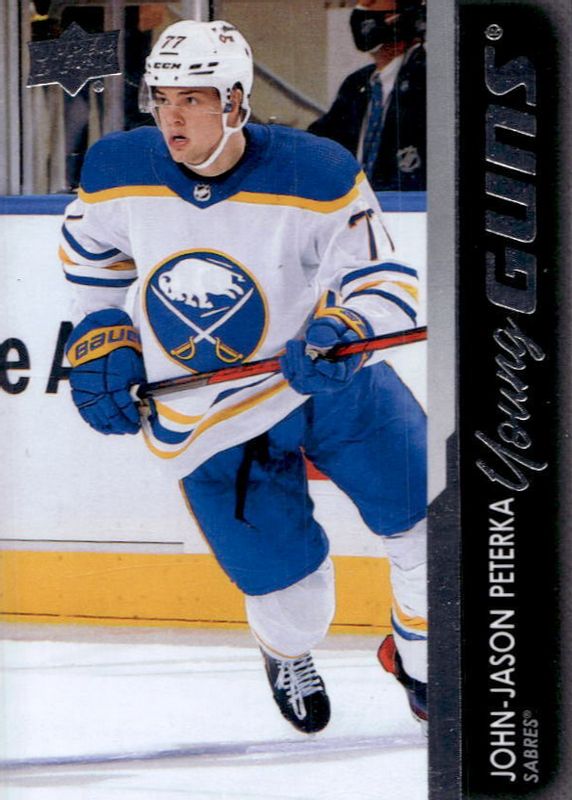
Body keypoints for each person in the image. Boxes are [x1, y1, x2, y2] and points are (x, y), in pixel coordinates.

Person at [59, 19, 427, 734]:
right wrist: (103, 334)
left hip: (329, 380)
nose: (171, 116)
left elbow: (383, 278)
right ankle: (286, 650)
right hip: (215, 412)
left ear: (235, 101)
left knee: (433, 528)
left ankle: (424, 665)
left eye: (192, 99)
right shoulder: (116, 169)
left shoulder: (316, 171)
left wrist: (348, 328)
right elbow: (93, 264)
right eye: (162, 97)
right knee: (298, 602)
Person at [308, 0, 426, 192]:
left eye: (371, 2)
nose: (361, 7)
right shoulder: (357, 83)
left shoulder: (430, 82)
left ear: (397, 17)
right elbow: (321, 140)